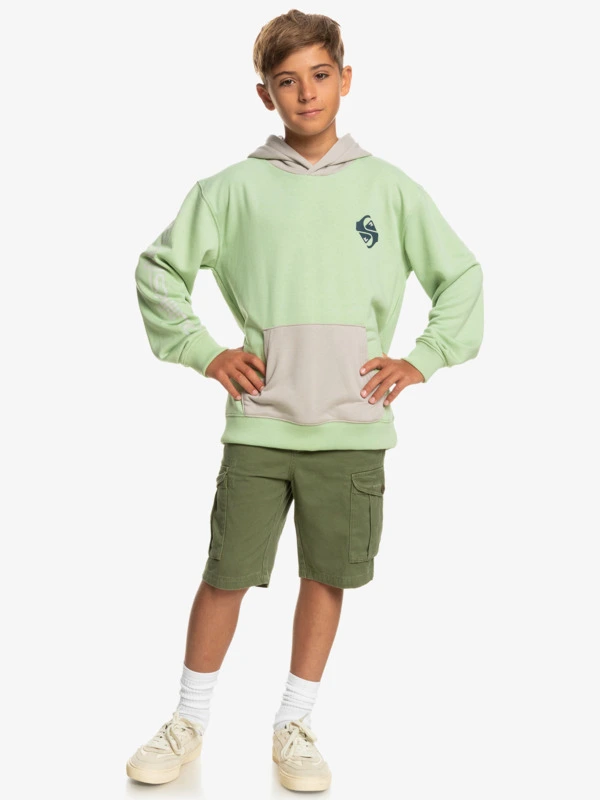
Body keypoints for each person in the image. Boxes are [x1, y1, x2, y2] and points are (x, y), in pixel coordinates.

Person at [126, 8, 484, 792]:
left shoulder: (389, 188)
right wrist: (205, 351)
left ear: (345, 80)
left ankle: (294, 724)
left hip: (352, 429)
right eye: (287, 81)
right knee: (226, 573)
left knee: (326, 577)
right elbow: (158, 270)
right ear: (266, 94)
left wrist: (422, 359)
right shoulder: (230, 190)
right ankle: (188, 718)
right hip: (261, 426)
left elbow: (460, 276)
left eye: (320, 75)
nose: (307, 93)